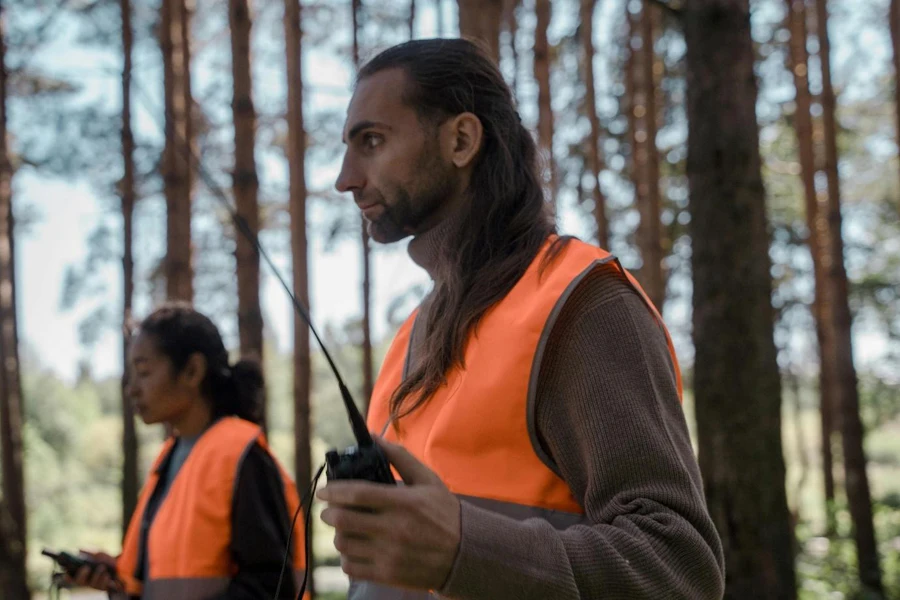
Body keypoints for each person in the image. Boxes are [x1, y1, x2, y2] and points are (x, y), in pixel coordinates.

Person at [317, 38, 725, 600]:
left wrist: (464, 550)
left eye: (372, 141)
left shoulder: (581, 304)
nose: (345, 178)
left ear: (461, 140)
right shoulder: (410, 340)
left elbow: (678, 567)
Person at [69, 303, 307, 599]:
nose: (132, 389)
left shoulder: (241, 455)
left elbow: (271, 586)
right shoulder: (169, 458)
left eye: (143, 372)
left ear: (192, 371)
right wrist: (120, 576)